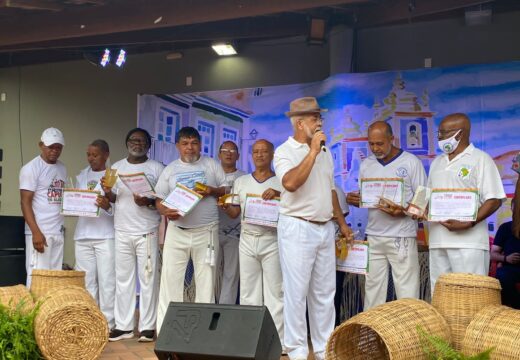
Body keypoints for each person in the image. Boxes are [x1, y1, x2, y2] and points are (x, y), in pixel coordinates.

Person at [274, 97, 353, 360]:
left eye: (320, 117)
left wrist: (342, 224)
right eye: (314, 118)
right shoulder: (284, 151)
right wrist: (312, 153)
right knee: (296, 293)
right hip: (297, 227)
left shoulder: (325, 153)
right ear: (299, 123)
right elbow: (291, 183)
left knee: (324, 293)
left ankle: (323, 350)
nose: (320, 122)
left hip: (324, 228)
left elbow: (329, 190)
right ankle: (296, 352)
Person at [346, 121, 426, 310]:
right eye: (371, 143)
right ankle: (373, 335)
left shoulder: (411, 162)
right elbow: (367, 197)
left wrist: (403, 210)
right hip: (374, 235)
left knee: (407, 291)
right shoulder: (367, 164)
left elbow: (423, 203)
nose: (375, 148)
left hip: (402, 235)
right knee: (373, 289)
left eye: (380, 143)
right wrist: (357, 200)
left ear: (392, 139)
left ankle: (409, 335)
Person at [155, 127, 227, 333]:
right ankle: (168, 330)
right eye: (185, 143)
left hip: (207, 231)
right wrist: (165, 210)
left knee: (206, 282)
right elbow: (159, 199)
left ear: (200, 144)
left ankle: (203, 333)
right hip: (177, 230)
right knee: (170, 281)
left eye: (194, 143)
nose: (190, 147)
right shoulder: (170, 169)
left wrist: (211, 191)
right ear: (178, 146)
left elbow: (227, 189)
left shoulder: (212, 165)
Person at [428, 113, 505, 291]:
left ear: (460, 134)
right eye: (438, 133)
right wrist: (417, 210)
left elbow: (494, 199)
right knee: (440, 295)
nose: (439, 138)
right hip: (438, 242)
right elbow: (429, 198)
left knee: (471, 294)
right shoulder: (437, 163)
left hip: (469, 243)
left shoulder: (481, 159)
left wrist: (469, 222)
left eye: (444, 133)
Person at [220, 139, 284, 348]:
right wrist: (224, 205)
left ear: (272, 155)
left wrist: (279, 196)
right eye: (255, 152)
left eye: (264, 152)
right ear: (251, 155)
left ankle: (277, 341)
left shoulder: (281, 182)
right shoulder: (242, 181)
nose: (259, 155)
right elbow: (235, 212)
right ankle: (250, 340)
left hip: (272, 240)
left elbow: (293, 206)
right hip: (247, 239)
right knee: (248, 292)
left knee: (275, 293)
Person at [103, 128, 164, 342]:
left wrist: (147, 201)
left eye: (142, 141)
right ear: (126, 142)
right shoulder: (116, 167)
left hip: (146, 230)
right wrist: (107, 192)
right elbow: (112, 196)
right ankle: (124, 326)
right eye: (133, 140)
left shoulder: (157, 168)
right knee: (123, 279)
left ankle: (147, 326)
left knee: (148, 279)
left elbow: (163, 199)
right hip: (122, 229)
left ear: (149, 144)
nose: (137, 144)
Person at [73, 139, 115, 329]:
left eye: (95, 155)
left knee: (106, 280)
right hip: (83, 234)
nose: (91, 158)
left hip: (105, 235)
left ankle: (108, 322)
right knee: (87, 280)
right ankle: (90, 320)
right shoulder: (82, 175)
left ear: (105, 155)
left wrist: (107, 206)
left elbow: (118, 205)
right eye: (88, 154)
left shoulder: (113, 176)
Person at [19, 127, 67, 288]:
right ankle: (35, 313)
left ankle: (50, 314)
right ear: (41, 145)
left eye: (58, 147)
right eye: (50, 147)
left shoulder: (62, 168)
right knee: (37, 279)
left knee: (54, 279)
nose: (54, 151)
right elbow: (25, 202)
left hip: (57, 231)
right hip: (40, 232)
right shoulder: (31, 168)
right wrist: (36, 232)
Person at [216, 140, 245, 304]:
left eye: (232, 150)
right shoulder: (211, 174)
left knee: (231, 274)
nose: (228, 153)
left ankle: (225, 309)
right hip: (211, 230)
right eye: (225, 150)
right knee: (209, 273)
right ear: (219, 154)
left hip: (235, 232)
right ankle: (208, 307)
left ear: (238, 155)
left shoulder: (244, 177)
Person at [490, 175, 520, 309]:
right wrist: (506, 258)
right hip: (510, 267)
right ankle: (514, 308)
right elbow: (493, 253)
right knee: (502, 275)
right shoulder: (505, 227)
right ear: (512, 208)